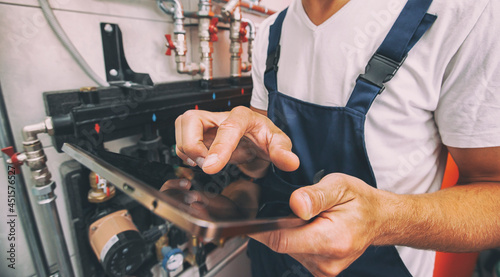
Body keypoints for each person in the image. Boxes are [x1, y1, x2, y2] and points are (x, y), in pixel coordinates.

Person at [171, 0, 500, 276]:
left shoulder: (463, 13)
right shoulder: (272, 31)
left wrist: (385, 222)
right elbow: (262, 166)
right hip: (272, 263)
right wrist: (245, 151)